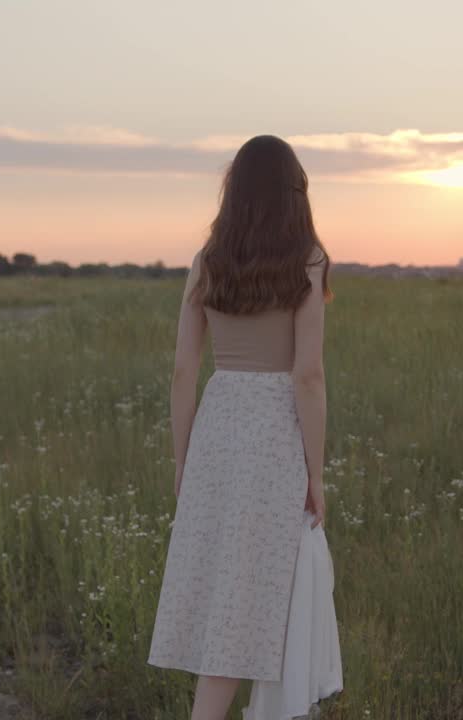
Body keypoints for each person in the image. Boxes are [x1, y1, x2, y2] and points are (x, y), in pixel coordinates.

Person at [147, 135, 343, 719]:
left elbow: (185, 371)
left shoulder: (207, 261)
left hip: (218, 424)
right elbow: (308, 376)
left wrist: (184, 460)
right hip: (273, 435)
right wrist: (317, 473)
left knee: (234, 598)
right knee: (253, 603)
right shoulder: (308, 260)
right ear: (293, 193)